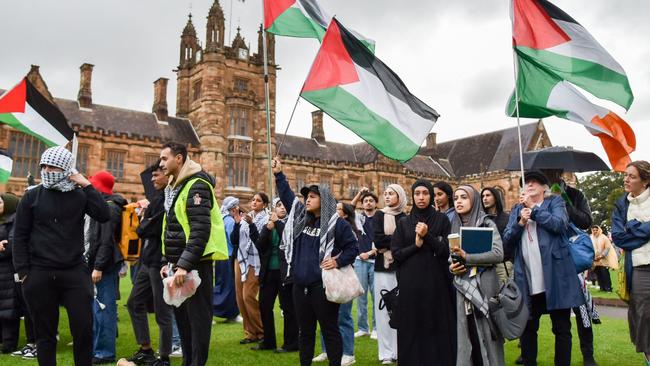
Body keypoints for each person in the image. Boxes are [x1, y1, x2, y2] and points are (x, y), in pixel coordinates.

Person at [13, 146, 111, 366]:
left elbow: (104, 214)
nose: (47, 170)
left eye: (53, 166)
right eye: (44, 166)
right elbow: (19, 236)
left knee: (83, 331)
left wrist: (86, 184)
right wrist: (24, 273)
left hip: (74, 272)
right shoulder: (31, 196)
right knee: (45, 336)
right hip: (39, 274)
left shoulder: (79, 194)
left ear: (67, 168)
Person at [272, 157, 358, 366]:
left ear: (324, 200)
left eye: (312, 197)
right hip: (299, 286)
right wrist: (279, 174)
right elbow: (288, 197)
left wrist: (337, 262)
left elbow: (352, 248)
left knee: (329, 330)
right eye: (306, 197)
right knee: (305, 332)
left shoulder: (336, 224)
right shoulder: (301, 220)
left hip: (322, 286)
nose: (307, 200)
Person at [503, 171, 584, 366]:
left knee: (561, 328)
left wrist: (535, 210)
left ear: (543, 188)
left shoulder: (554, 203)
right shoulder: (516, 209)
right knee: (529, 328)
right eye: (525, 183)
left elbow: (560, 224)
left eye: (534, 182)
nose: (529, 185)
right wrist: (520, 222)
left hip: (555, 277)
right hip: (528, 278)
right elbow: (507, 240)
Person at [159, 142, 226, 366]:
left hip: (195, 265)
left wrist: (184, 265)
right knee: (184, 323)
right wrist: (166, 261)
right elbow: (172, 228)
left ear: (179, 159)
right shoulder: (174, 186)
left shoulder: (196, 185)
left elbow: (199, 231)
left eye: (164, 158)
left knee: (197, 324)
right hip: (178, 265)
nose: (160, 164)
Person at [391, 179, 455, 366]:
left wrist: (427, 236)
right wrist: (416, 246)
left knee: (435, 327)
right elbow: (396, 254)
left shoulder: (441, 220)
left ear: (431, 195)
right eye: (417, 193)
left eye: (425, 193)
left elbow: (445, 251)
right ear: (412, 196)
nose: (421, 197)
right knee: (411, 328)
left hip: (435, 283)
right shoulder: (403, 223)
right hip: (410, 284)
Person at [542, 169, 598, 366]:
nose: (551, 176)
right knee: (558, 314)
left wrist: (563, 200)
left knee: (581, 309)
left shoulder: (575, 195)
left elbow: (585, 221)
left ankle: (588, 354)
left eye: (554, 172)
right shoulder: (539, 198)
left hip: (573, 259)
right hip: (551, 260)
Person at [449, 186, 504, 365]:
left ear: (473, 200)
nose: (458, 201)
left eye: (463, 197)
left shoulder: (486, 223)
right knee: (467, 336)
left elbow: (498, 253)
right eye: (456, 197)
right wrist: (453, 268)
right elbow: (450, 258)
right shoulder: (453, 225)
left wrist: (468, 258)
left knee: (488, 337)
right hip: (462, 289)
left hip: (484, 287)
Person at [126, 162, 174, 366]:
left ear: (166, 175)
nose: (153, 179)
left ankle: (163, 357)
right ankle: (146, 350)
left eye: (156, 175)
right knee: (133, 302)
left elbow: (147, 229)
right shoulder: (155, 198)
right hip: (147, 260)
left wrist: (145, 221)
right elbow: (144, 227)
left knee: (163, 311)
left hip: (159, 262)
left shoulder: (167, 199)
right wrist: (146, 222)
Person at [611, 160, 650, 365]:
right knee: (642, 314)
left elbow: (628, 234)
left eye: (632, 176)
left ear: (645, 181)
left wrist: (633, 227)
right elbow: (619, 237)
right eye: (625, 175)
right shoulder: (622, 204)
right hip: (639, 266)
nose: (626, 179)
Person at [86, 170, 126, 364]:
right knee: (99, 308)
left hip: (105, 266)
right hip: (99, 264)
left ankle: (104, 352)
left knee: (104, 309)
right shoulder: (103, 206)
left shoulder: (109, 208)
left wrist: (98, 266)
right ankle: (98, 348)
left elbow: (106, 241)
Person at [313, 203, 359, 366]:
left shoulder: (345, 227)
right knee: (325, 317)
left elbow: (353, 249)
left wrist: (337, 261)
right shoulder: (323, 226)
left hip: (341, 276)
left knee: (343, 316)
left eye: (338, 209)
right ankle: (327, 350)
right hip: (324, 277)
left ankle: (348, 352)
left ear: (345, 214)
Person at [254, 198, 299, 353]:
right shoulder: (270, 224)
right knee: (264, 306)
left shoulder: (291, 223)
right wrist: (267, 228)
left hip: (284, 272)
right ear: (273, 208)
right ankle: (268, 341)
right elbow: (260, 245)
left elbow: (288, 240)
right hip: (269, 272)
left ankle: (291, 343)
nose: (282, 208)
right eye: (278, 205)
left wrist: (278, 224)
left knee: (288, 308)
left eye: (284, 205)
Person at [372, 184, 407, 364]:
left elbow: (407, 240)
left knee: (401, 309)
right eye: (385, 194)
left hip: (402, 268)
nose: (386, 196)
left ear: (399, 196)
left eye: (391, 194)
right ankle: (385, 353)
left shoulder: (405, 216)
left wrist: (392, 242)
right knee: (384, 310)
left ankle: (399, 350)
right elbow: (377, 240)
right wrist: (397, 240)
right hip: (382, 267)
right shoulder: (379, 215)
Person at [231, 193, 267, 345]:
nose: (254, 202)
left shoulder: (266, 219)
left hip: (255, 261)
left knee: (248, 297)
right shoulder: (245, 218)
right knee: (240, 299)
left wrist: (251, 224)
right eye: (253, 200)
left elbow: (260, 241)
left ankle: (261, 331)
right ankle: (250, 333)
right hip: (240, 259)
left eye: (258, 200)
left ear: (264, 205)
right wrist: (237, 223)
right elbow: (234, 240)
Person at [350, 188, 378, 339]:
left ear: (375, 204)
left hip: (375, 260)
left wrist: (371, 253)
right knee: (361, 296)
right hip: (360, 261)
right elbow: (349, 209)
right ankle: (363, 328)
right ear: (362, 204)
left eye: (371, 200)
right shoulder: (359, 219)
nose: (368, 203)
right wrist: (359, 194)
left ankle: (376, 328)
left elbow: (382, 240)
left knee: (375, 297)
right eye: (365, 201)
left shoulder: (380, 218)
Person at [213, 196, 241, 323]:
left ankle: (231, 314)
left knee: (222, 284)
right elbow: (233, 240)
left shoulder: (221, 219)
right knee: (229, 286)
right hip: (229, 257)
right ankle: (214, 310)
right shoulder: (229, 221)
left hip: (221, 257)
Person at [0, 193, 20, 354]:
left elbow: (11, 247)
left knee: (8, 309)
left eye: (0, 203)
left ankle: (9, 343)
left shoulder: (14, 220)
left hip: (8, 270)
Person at [481, 187, 512, 283]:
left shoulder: (507, 218)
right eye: (483, 196)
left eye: (488, 195)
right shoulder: (481, 219)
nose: (484, 198)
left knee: (505, 295)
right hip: (485, 266)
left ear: (496, 197)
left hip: (503, 265)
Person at [590, 225, 617, 292]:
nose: (595, 231)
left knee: (605, 274)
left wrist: (601, 256)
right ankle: (602, 288)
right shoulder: (591, 238)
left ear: (599, 230)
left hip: (603, 260)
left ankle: (608, 288)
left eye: (596, 230)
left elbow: (607, 248)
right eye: (593, 230)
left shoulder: (603, 237)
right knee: (598, 274)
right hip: (595, 260)